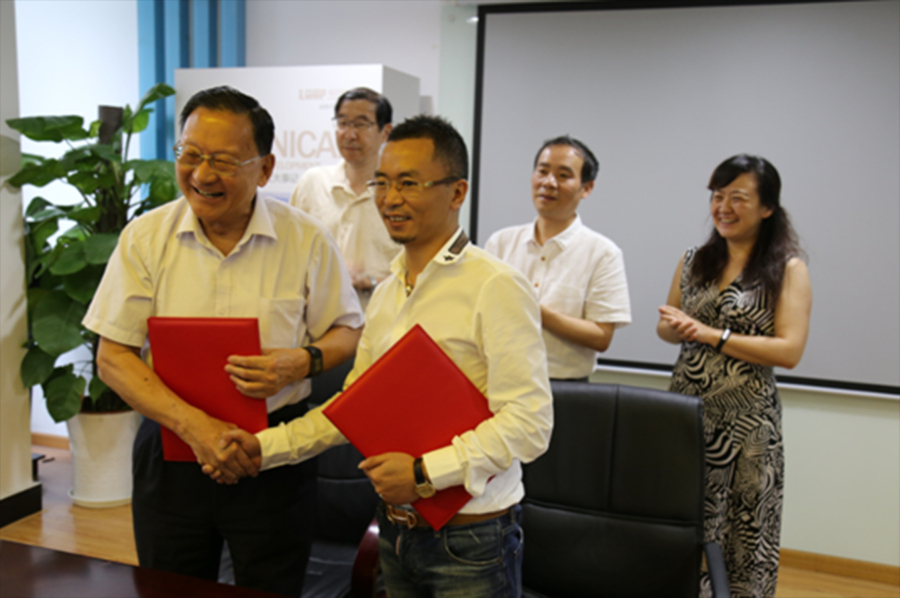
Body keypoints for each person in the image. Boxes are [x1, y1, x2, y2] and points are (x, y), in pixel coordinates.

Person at [212, 115, 553, 598]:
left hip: (471, 538)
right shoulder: (390, 291)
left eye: (409, 183)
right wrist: (263, 447)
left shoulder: (495, 285)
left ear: (457, 192)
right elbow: (353, 407)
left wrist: (422, 474)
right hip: (395, 529)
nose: (390, 199)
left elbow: (529, 424)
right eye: (383, 183)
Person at [83, 86, 364, 596]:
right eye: (190, 155)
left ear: (265, 168)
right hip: (171, 450)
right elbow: (113, 356)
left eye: (224, 161)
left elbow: (347, 331)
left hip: (273, 453)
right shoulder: (145, 238)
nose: (202, 174)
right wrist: (197, 428)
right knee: (169, 587)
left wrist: (301, 362)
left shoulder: (306, 240)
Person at [657, 154, 812, 598]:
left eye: (738, 198)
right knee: (683, 528)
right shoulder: (693, 260)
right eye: (717, 196)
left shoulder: (788, 269)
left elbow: (790, 350)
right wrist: (677, 327)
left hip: (748, 429)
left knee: (744, 535)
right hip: (688, 417)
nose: (723, 207)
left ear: (768, 208)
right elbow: (667, 329)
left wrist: (712, 334)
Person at [485, 135, 631, 381]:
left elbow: (601, 337)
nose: (549, 182)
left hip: (565, 389)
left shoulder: (603, 253)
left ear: (586, 188)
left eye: (563, 175)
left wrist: (533, 309)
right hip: (499, 380)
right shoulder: (500, 243)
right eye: (542, 171)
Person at [290, 87, 400, 306]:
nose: (349, 134)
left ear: (386, 132)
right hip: (319, 319)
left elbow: (419, 271)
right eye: (342, 123)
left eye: (361, 124)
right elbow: (289, 253)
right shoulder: (313, 183)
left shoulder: (400, 193)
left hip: (382, 317)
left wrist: (370, 282)